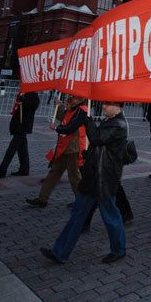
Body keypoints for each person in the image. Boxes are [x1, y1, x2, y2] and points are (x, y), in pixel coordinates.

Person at [40, 101, 128, 265]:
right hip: (93, 177)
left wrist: (87, 120)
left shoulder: (119, 124)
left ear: (117, 106)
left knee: (111, 217)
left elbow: (96, 138)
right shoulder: (110, 120)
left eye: (107, 105)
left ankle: (119, 249)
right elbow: (99, 144)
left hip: (104, 179)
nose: (103, 107)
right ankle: (60, 252)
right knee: (77, 214)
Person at [27, 96, 87, 208]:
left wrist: (56, 128)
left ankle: (81, 201)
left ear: (79, 100)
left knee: (74, 176)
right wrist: (59, 107)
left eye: (72, 100)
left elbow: (70, 127)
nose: (69, 101)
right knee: (54, 173)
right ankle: (42, 199)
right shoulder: (73, 109)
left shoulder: (82, 111)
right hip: (64, 148)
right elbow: (64, 117)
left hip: (73, 149)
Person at [0, 91, 38, 177]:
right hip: (18, 125)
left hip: (23, 125)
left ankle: (2, 170)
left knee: (11, 149)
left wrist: (24, 100)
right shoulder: (24, 92)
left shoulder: (33, 93)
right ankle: (24, 169)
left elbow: (34, 106)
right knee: (22, 148)